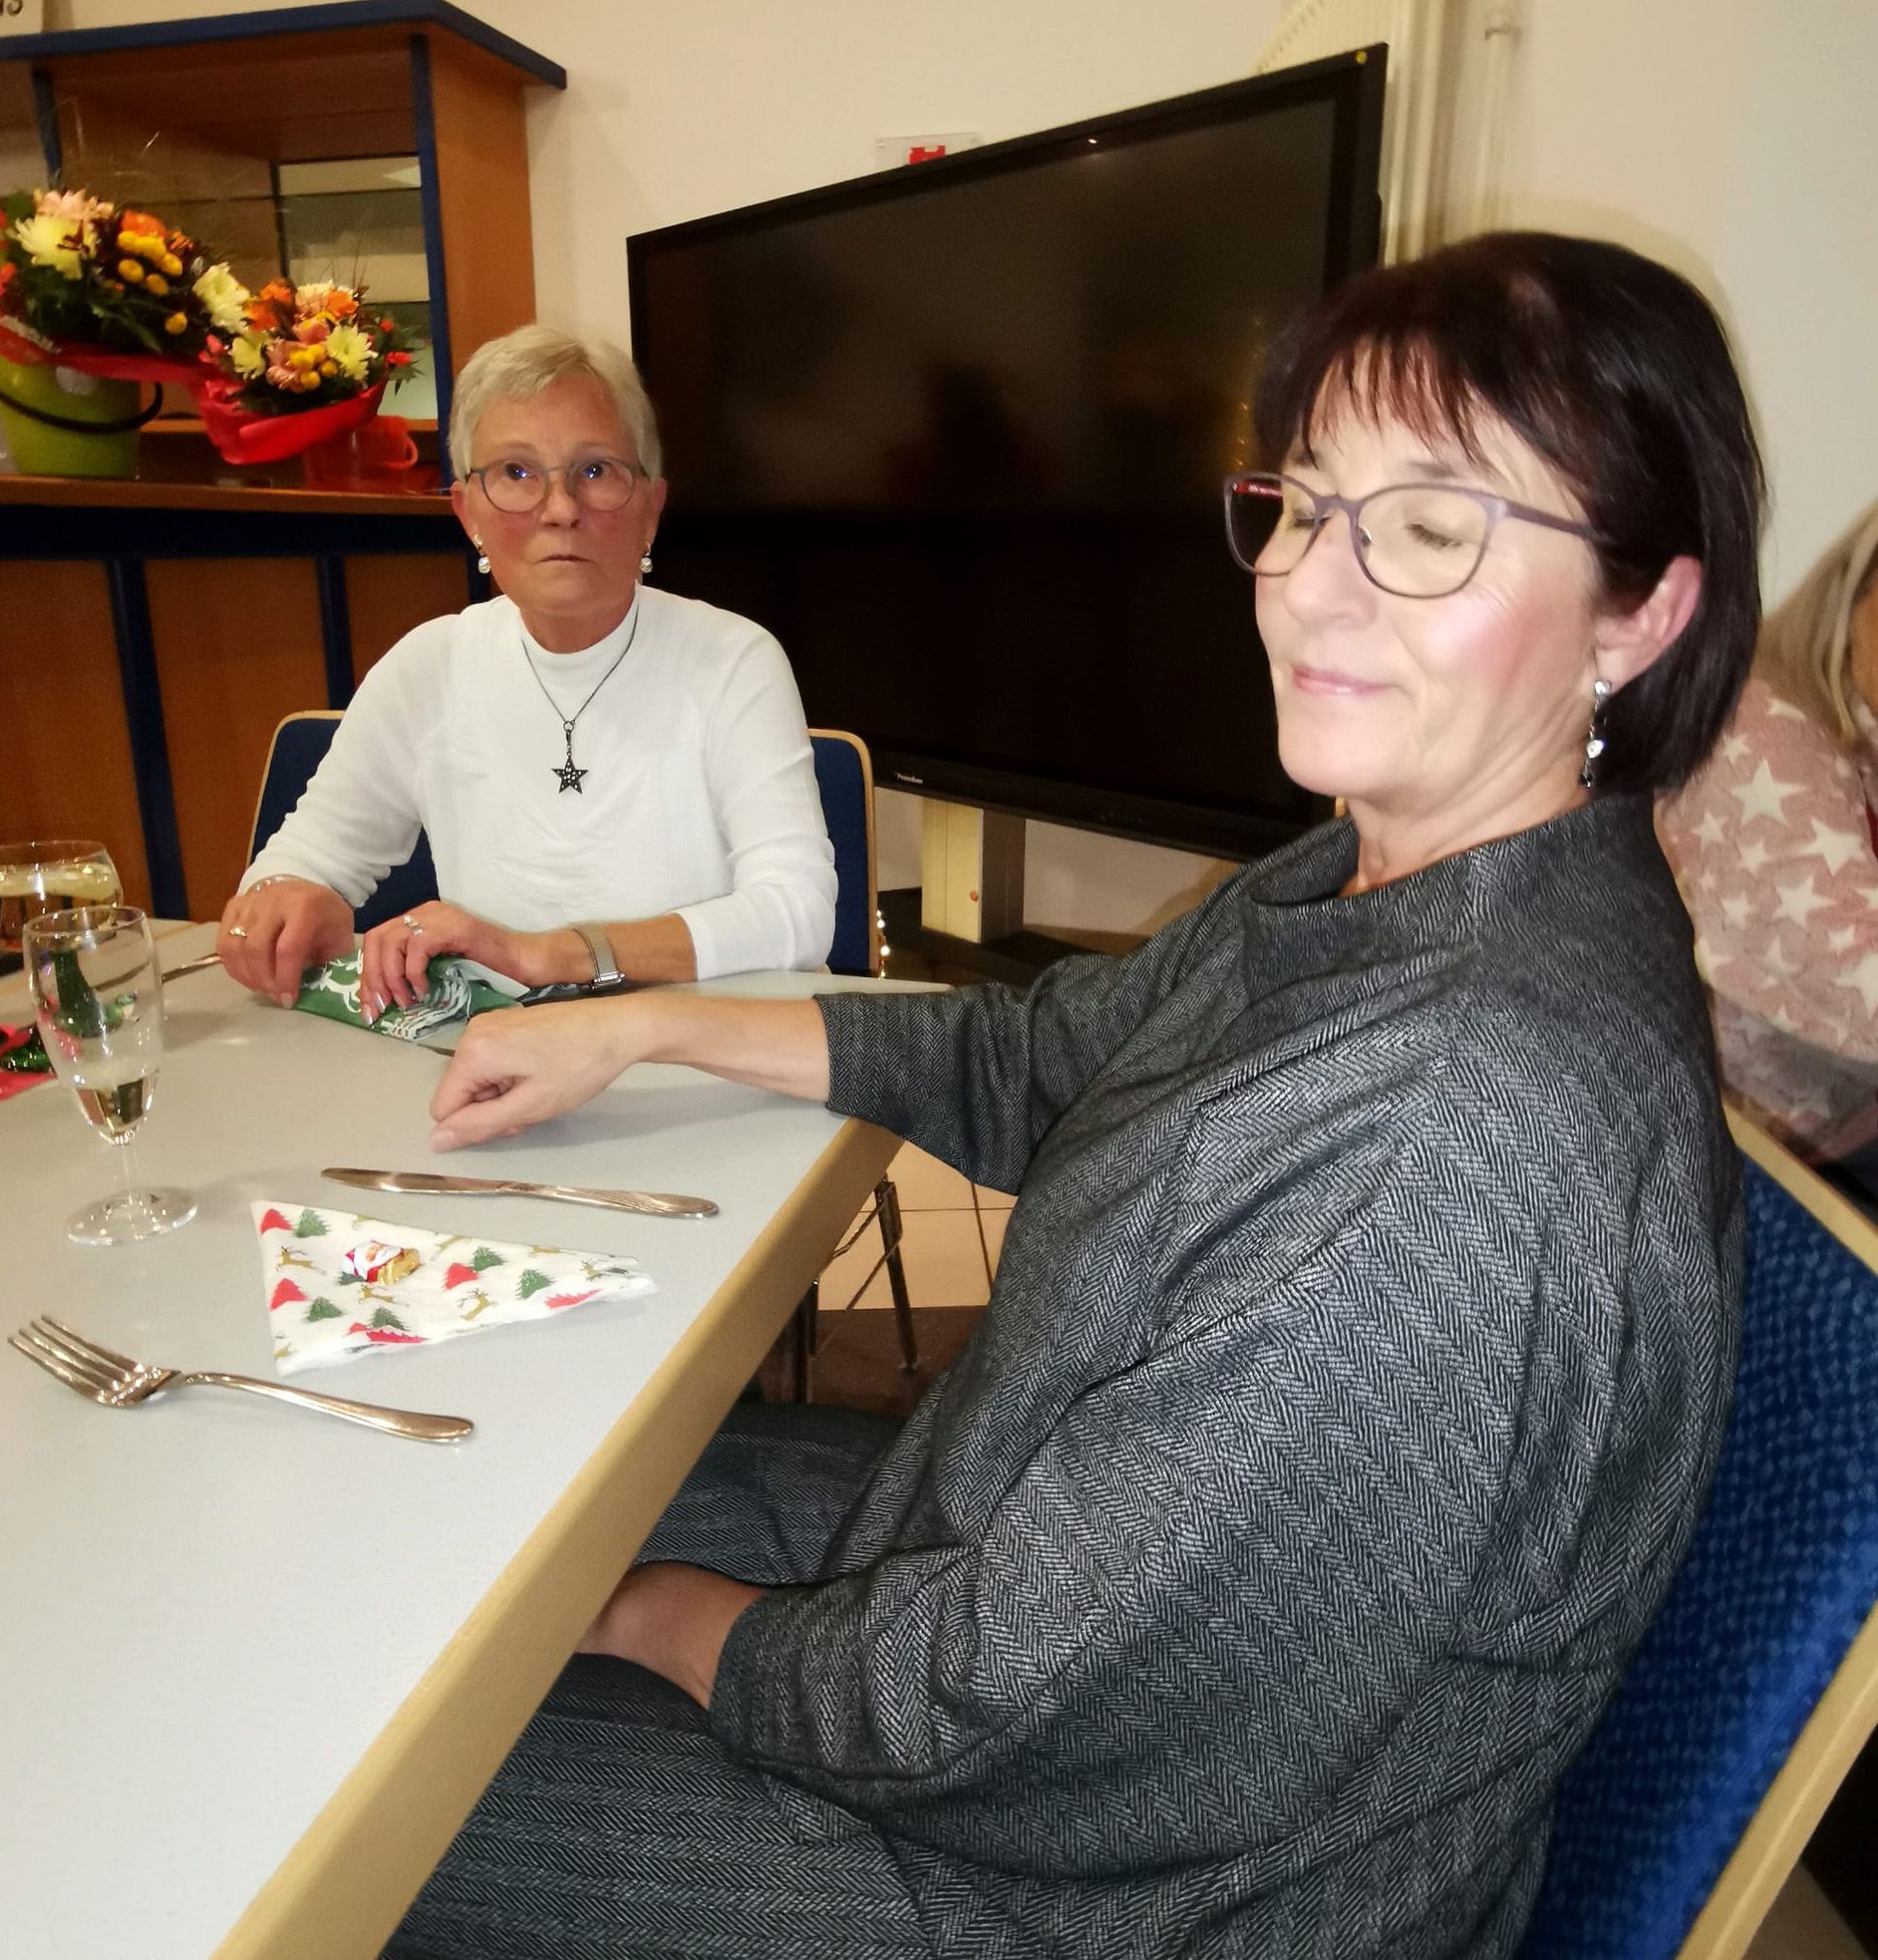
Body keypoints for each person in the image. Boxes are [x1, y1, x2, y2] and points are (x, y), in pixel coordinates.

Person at [387, 231, 1760, 1959]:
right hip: (1012, 1585)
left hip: (1109, 1893)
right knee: (473, 1486)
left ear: (1644, 611)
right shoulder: (1384, 877)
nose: (1309, 588)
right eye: (1307, 505)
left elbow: (1002, 1704)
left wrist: (674, 1623)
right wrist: (644, 1023)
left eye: (1429, 529)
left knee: (338, 1781)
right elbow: (1036, 1057)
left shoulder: (1444, 1127)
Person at [216, 326, 836, 1017]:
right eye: (516, 473)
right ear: (468, 513)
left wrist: (544, 953)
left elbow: (797, 911)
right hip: (501, 1052)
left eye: (595, 471)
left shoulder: (734, 660)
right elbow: (307, 858)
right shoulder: (428, 666)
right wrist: (288, 894)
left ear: (651, 510)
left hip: (705, 1044)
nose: (561, 510)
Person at [1658, 500, 1878, 1181]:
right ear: (1855, 592)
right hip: (1726, 1154)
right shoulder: (1764, 726)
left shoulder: (1859, 735)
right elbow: (1859, 979)